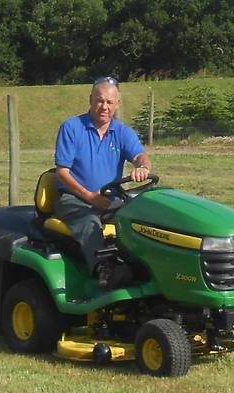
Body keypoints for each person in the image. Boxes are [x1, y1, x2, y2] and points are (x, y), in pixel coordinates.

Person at [53, 76, 152, 287]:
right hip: (74, 199)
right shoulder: (72, 128)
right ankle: (104, 273)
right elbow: (62, 173)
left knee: (141, 220)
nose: (104, 107)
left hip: (110, 199)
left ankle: (144, 268)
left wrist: (142, 167)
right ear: (90, 100)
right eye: (100, 100)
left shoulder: (123, 132)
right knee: (90, 222)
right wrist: (90, 197)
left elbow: (140, 156)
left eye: (109, 102)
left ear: (117, 104)